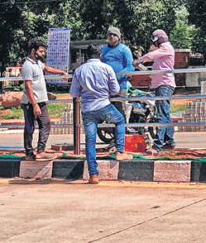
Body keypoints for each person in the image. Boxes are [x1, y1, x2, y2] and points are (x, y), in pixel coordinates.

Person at [70, 44, 133, 184]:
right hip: (104, 106)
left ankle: (93, 175)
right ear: (100, 55)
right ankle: (120, 151)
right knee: (120, 121)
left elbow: (73, 93)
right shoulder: (106, 68)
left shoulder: (79, 70)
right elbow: (115, 90)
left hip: (88, 110)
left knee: (90, 141)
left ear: (86, 56)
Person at [20, 38, 67, 160]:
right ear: (33, 51)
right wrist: (34, 104)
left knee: (45, 124)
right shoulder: (27, 65)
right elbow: (28, 87)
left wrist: (61, 73)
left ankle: (40, 150)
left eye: (43, 51)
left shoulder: (38, 63)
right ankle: (29, 152)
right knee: (30, 127)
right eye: (41, 51)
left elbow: (47, 69)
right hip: (30, 102)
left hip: (41, 101)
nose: (43, 53)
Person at [133, 29, 176, 154]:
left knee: (161, 115)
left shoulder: (166, 48)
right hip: (161, 85)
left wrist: (139, 60)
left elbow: (150, 56)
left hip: (164, 85)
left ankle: (157, 145)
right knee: (165, 115)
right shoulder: (162, 50)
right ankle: (169, 142)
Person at [100, 26, 134, 121]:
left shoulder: (124, 49)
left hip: (120, 85)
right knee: (107, 110)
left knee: (120, 109)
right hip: (106, 86)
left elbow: (130, 67)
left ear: (118, 37)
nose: (111, 37)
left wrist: (116, 76)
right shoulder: (104, 49)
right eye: (109, 35)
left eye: (114, 35)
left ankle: (121, 131)